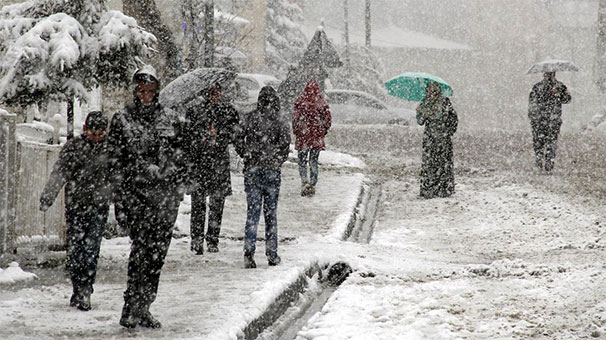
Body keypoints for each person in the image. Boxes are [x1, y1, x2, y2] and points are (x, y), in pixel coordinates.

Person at [106, 65, 186, 328]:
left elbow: (181, 155)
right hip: (136, 197)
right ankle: (130, 305)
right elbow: (115, 162)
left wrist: (170, 172)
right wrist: (121, 199)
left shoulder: (170, 119)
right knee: (140, 252)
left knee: (157, 256)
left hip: (164, 199)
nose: (146, 96)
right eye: (141, 91)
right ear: (134, 91)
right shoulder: (122, 120)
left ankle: (145, 306)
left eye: (151, 91)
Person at [39, 111, 111, 311]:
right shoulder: (74, 147)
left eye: (100, 133)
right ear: (85, 129)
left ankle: (86, 288)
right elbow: (60, 172)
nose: (96, 137)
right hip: (77, 205)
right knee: (76, 249)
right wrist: (48, 196)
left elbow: (118, 178)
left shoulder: (110, 149)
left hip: (99, 206)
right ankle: (78, 287)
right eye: (93, 132)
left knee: (91, 249)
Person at [235, 86, 291, 268]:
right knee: (270, 214)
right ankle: (272, 253)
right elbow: (285, 144)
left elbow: (237, 138)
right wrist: (276, 159)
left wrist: (246, 154)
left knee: (253, 212)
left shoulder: (250, 118)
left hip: (252, 170)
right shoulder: (279, 120)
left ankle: (249, 252)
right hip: (271, 171)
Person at [181, 84, 239, 255]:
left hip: (218, 163)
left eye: (217, 92)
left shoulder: (228, 111)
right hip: (200, 163)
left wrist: (219, 136)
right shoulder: (194, 111)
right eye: (211, 93)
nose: (214, 96)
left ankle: (213, 239)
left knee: (217, 203)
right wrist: (202, 138)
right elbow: (188, 137)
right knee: (198, 204)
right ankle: (197, 240)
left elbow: (234, 133)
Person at [416, 81, 458, 199]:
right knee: (430, 163)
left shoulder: (445, 102)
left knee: (443, 163)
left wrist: (448, 131)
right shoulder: (425, 104)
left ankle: (444, 189)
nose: (432, 93)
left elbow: (453, 118)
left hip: (443, 138)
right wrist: (421, 113)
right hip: (430, 139)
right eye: (429, 90)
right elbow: (420, 122)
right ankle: (429, 189)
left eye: (434, 91)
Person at [292, 78, 332, 197]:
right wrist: (322, 131)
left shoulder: (300, 102)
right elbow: (328, 120)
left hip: (303, 137)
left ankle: (304, 180)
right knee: (313, 161)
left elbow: (295, 120)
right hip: (316, 137)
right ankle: (313, 183)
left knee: (302, 161)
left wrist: (297, 132)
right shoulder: (322, 103)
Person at [528, 71, 571, 172]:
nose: (548, 76)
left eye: (550, 74)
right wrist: (533, 116)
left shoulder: (559, 86)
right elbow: (532, 101)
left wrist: (558, 94)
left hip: (552, 119)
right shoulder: (538, 87)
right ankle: (540, 163)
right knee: (540, 142)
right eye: (547, 74)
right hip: (541, 120)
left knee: (550, 142)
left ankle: (548, 164)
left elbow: (567, 99)